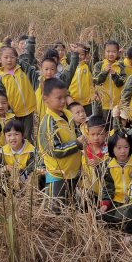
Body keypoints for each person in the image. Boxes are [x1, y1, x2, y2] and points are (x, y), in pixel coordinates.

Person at [37, 78, 85, 213]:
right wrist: (77, 143)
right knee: (54, 210)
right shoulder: (49, 122)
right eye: (59, 98)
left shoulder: (67, 114)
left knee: (69, 207)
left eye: (65, 97)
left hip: (72, 172)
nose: (63, 101)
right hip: (58, 174)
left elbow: (72, 137)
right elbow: (54, 150)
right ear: (45, 99)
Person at [0, 44, 37, 142]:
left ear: (16, 58)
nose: (9, 60)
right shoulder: (0, 78)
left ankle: (31, 155)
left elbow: (26, 60)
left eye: (12, 57)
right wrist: (8, 111)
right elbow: (0, 97)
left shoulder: (21, 68)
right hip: (13, 113)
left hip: (28, 109)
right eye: (6, 57)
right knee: (16, 136)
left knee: (28, 136)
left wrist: (17, 48)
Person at [99, 132, 132, 226]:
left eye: (126, 147)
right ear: (112, 149)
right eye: (118, 148)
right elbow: (108, 188)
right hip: (115, 201)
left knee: (121, 217)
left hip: (131, 201)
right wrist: (105, 203)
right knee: (100, 215)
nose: (123, 151)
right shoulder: (109, 166)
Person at [67, 32, 99, 117]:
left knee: (87, 121)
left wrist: (92, 42)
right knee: (75, 122)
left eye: (82, 54)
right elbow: (64, 84)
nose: (80, 56)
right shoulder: (69, 68)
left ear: (85, 56)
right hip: (73, 103)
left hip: (88, 102)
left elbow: (94, 57)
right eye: (78, 54)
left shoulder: (88, 66)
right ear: (72, 54)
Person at [93, 40, 127, 119]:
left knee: (114, 126)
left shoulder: (120, 66)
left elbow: (121, 83)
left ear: (118, 53)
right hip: (101, 103)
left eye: (114, 52)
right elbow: (96, 80)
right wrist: (105, 72)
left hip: (116, 105)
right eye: (108, 51)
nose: (111, 54)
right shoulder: (99, 65)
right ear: (104, 52)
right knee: (101, 125)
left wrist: (114, 75)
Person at [81, 115, 109, 204]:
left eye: (100, 134)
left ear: (106, 134)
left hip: (103, 193)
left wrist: (100, 164)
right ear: (88, 134)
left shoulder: (108, 153)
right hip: (86, 191)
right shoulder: (84, 151)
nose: (96, 138)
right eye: (92, 134)